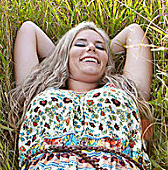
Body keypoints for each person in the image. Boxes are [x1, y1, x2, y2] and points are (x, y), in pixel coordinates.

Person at [10, 21, 154, 170]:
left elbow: (134, 31)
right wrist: (61, 54)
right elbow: (28, 30)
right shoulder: (37, 89)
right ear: (64, 55)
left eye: (100, 47)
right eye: (80, 44)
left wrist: (95, 53)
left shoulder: (125, 90)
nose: (91, 47)